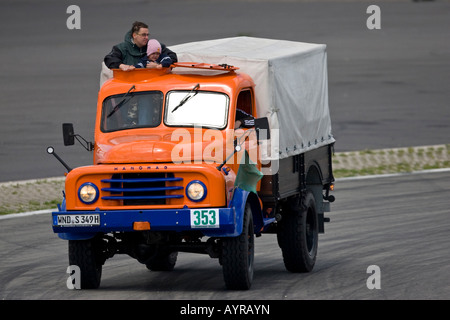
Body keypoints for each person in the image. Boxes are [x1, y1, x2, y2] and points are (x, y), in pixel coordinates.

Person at [104, 21, 177, 71]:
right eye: (143, 35)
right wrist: (121, 65)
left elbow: (173, 57)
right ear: (134, 35)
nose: (146, 38)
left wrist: (158, 66)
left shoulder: (154, 47)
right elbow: (109, 59)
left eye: (147, 35)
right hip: (129, 84)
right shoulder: (121, 48)